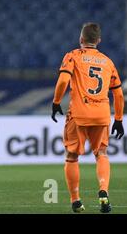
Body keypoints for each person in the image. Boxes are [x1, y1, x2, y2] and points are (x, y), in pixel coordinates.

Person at [51, 22, 124, 213]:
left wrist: (56, 101)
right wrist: (118, 119)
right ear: (98, 41)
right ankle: (103, 191)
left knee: (72, 156)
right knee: (102, 154)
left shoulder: (73, 56)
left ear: (81, 39)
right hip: (101, 115)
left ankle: (76, 200)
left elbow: (64, 80)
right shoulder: (108, 62)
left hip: (79, 113)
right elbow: (118, 94)